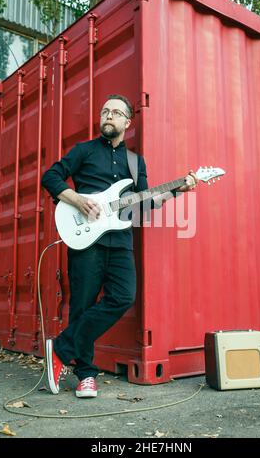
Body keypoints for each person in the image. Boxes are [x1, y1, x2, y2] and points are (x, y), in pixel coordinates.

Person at [41, 94, 198, 398]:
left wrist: (177, 190)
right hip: (86, 240)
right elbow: (51, 176)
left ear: (127, 122)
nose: (108, 116)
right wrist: (77, 199)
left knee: (124, 296)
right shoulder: (84, 151)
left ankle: (60, 348)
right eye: (105, 111)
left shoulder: (135, 162)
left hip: (120, 241)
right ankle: (86, 375)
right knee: (83, 306)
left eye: (115, 112)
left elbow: (143, 204)